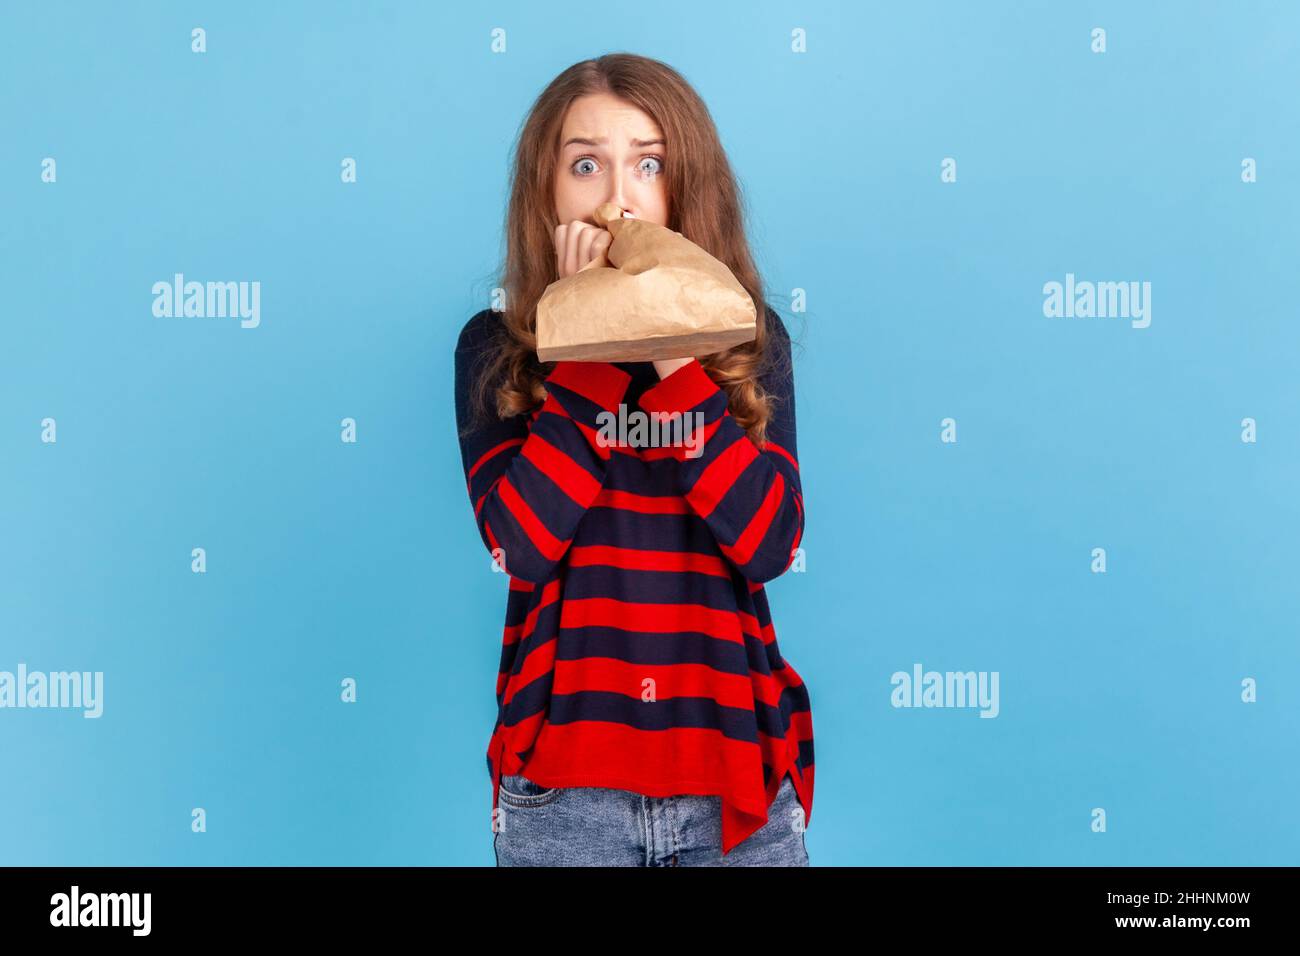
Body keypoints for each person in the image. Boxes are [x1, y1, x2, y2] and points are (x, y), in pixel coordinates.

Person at [454, 53, 814, 866]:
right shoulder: (496, 351)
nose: (617, 196)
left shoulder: (753, 344)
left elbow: (769, 545)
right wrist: (587, 337)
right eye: (586, 164)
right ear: (545, 190)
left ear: (684, 188)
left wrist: (670, 344)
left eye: (647, 164)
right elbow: (523, 544)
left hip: (735, 787)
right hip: (564, 797)